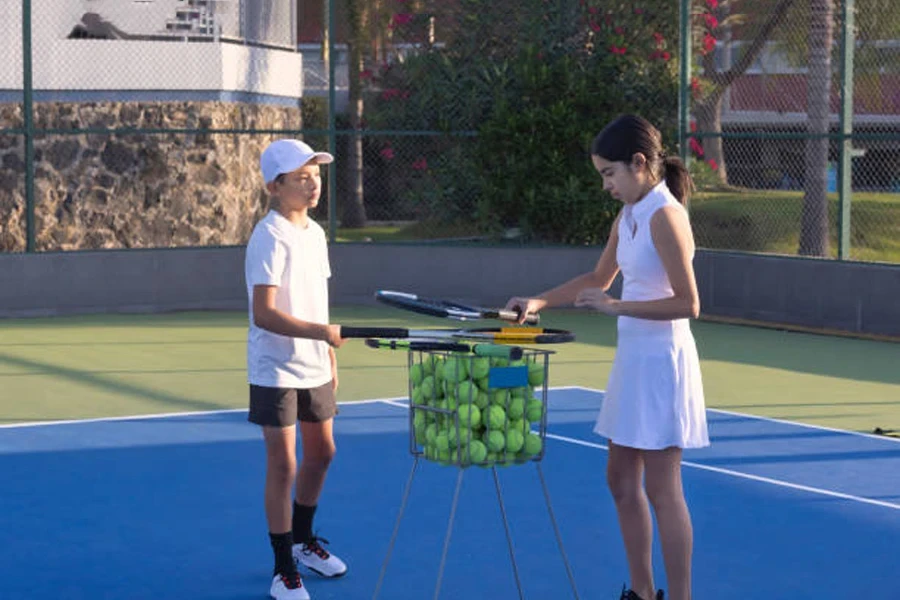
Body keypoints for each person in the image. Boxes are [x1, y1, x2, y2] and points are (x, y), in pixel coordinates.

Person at [505, 114, 709, 600]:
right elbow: (598, 279)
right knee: (619, 479)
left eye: (609, 174)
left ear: (639, 164)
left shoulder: (665, 214)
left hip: (663, 364)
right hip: (634, 360)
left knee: (664, 490)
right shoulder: (630, 214)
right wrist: (538, 301)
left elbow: (689, 303)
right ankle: (642, 593)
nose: (605, 185)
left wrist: (618, 306)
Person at [245, 139, 349, 600]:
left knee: (322, 453)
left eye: (316, 175)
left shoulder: (316, 234)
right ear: (275, 185)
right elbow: (264, 313)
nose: (313, 184)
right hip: (276, 370)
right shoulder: (268, 236)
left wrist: (328, 355)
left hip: (314, 365)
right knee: (284, 464)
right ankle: (283, 566)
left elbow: (317, 300)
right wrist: (321, 333)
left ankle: (306, 542)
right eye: (301, 177)